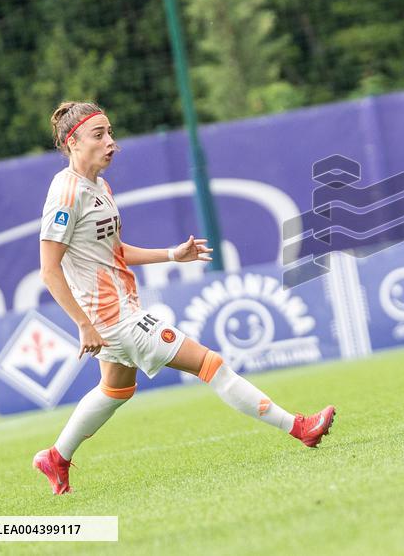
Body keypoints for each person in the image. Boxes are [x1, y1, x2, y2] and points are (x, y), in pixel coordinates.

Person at [33, 101, 335, 495]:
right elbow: (49, 269)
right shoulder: (65, 192)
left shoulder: (100, 187)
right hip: (113, 318)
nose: (111, 143)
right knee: (211, 363)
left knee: (116, 389)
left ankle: (56, 457)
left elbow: (114, 250)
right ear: (73, 142)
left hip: (121, 310)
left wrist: (172, 254)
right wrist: (84, 323)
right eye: (99, 135)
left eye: (110, 133)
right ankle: (299, 428)